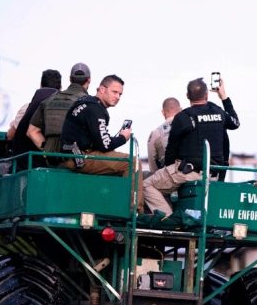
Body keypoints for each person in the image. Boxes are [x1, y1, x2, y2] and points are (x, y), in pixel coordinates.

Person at [143, 77, 239, 216]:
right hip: (214, 175)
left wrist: (169, 170)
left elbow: (171, 151)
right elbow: (235, 123)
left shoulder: (183, 117)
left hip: (188, 173)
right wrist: (223, 96)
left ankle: (168, 220)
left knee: (147, 184)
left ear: (187, 96)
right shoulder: (218, 111)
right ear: (206, 95)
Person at [60, 74, 144, 212]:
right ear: (102, 89)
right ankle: (135, 212)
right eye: (114, 92)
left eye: (120, 94)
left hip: (73, 155)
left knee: (120, 161)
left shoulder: (85, 102)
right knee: (133, 163)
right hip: (79, 158)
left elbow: (99, 139)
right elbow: (104, 145)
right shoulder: (96, 109)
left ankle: (115, 206)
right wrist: (123, 138)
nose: (117, 97)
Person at [27, 62, 91, 154]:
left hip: (51, 157)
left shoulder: (49, 100)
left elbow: (32, 131)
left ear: (70, 79)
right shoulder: (89, 103)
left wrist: (47, 149)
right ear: (89, 80)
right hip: (76, 159)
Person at [7, 69, 61, 167]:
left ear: (40, 85)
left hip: (24, 164)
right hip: (51, 164)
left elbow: (11, 135)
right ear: (60, 88)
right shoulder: (63, 111)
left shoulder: (26, 109)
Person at [146, 97, 181, 173]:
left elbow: (152, 160)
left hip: (167, 174)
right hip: (190, 171)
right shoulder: (190, 126)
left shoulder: (156, 132)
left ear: (162, 112)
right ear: (181, 110)